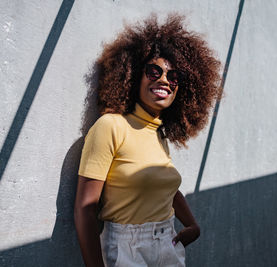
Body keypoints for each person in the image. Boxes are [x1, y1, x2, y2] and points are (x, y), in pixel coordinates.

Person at [74, 13, 222, 267]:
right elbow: (85, 210)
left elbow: (166, 188)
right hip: (127, 249)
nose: (164, 79)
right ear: (133, 75)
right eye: (154, 71)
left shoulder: (157, 133)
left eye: (174, 76)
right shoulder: (111, 127)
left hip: (167, 244)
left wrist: (193, 225)